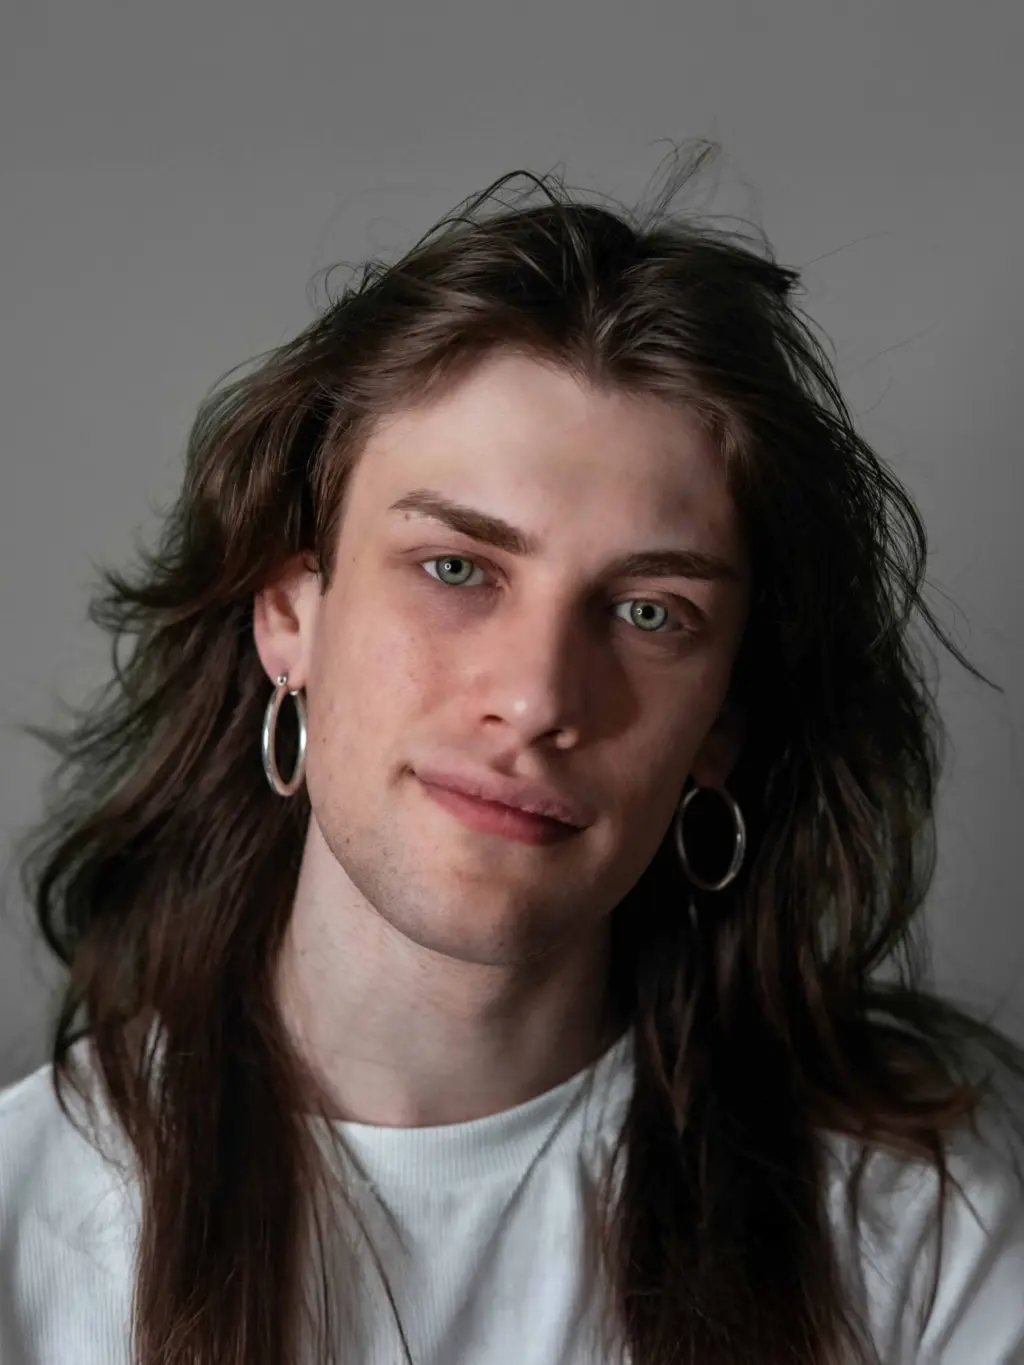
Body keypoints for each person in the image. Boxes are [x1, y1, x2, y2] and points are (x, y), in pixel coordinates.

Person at [1, 146, 1022, 1365]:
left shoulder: (918, 1227)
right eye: (456, 570)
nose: (538, 699)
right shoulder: (30, 1233)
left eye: (651, 613)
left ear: (723, 726)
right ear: (290, 618)